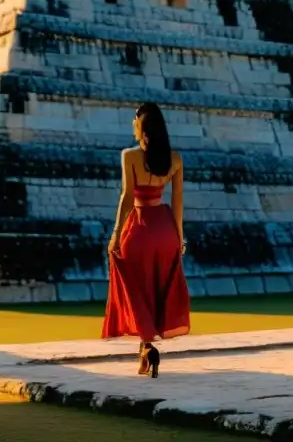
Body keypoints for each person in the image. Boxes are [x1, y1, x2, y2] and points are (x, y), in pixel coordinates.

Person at [101, 102, 191, 378]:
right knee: (156, 289)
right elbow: (177, 203)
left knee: (135, 290)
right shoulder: (175, 159)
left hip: (138, 230)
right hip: (164, 230)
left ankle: (147, 346)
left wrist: (116, 232)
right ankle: (146, 349)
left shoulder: (129, 156)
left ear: (142, 128)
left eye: (134, 121)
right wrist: (179, 237)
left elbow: (127, 198)